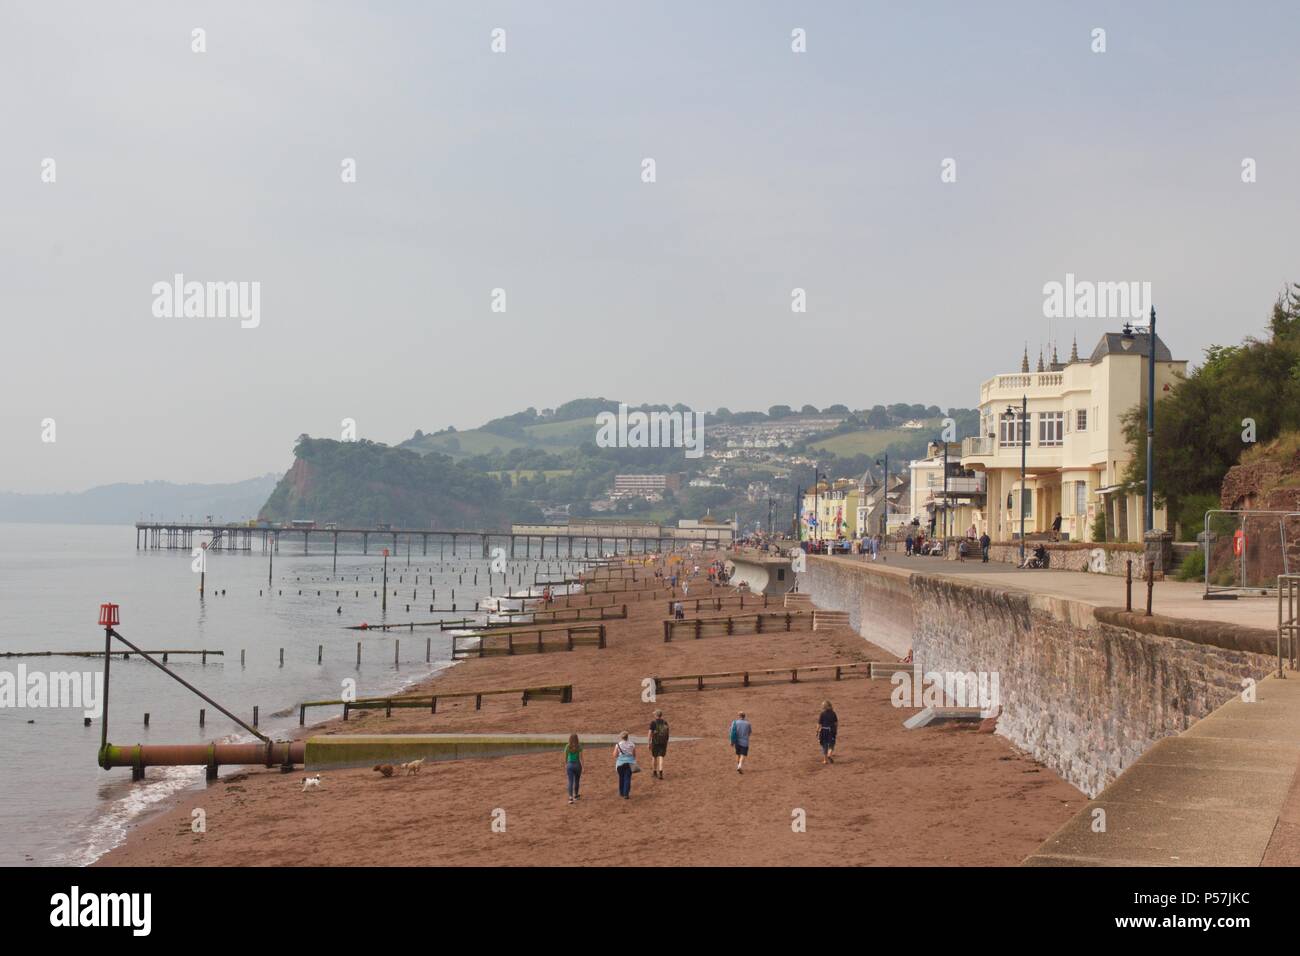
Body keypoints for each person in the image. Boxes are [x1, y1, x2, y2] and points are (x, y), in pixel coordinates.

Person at [613, 731, 637, 799]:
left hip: (620, 764)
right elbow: (634, 755)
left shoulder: (618, 744)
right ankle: (626, 793)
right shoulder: (632, 744)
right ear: (627, 736)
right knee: (627, 778)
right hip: (629, 763)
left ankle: (621, 792)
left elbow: (615, 755)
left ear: (621, 737)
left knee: (621, 777)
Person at [648, 710, 670, 779]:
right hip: (663, 742)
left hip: (655, 742)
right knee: (661, 757)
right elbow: (667, 733)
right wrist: (666, 741)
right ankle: (660, 772)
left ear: (656, 715)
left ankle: (654, 772)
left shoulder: (653, 723)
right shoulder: (665, 722)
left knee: (654, 757)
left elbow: (649, 734)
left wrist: (649, 743)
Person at [564, 733, 583, 804]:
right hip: (577, 765)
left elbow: (565, 757)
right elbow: (581, 758)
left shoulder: (567, 746)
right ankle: (576, 795)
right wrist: (583, 767)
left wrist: (566, 765)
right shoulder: (579, 746)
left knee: (570, 781)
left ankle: (570, 798)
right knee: (577, 780)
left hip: (570, 765)